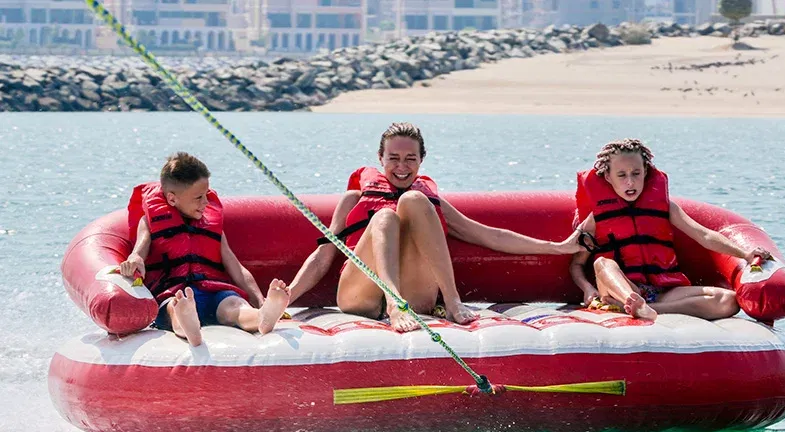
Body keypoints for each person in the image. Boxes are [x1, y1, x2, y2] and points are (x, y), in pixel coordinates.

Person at [287, 122, 582, 332]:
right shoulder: (354, 199)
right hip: (359, 296)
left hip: (415, 296)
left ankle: (452, 301)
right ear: (380, 159)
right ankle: (393, 302)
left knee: (414, 200)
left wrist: (557, 247)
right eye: (393, 159)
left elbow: (487, 235)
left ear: (421, 161)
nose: (402, 166)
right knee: (385, 217)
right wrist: (285, 298)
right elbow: (323, 256)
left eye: (410, 159)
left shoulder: (427, 200)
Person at [569, 139, 771, 321]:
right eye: (621, 175)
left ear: (645, 172)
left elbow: (704, 235)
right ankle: (631, 302)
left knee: (728, 300)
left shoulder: (666, 208)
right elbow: (577, 264)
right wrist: (588, 289)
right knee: (603, 263)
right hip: (621, 288)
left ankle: (646, 309)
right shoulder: (596, 218)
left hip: (663, 291)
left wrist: (744, 253)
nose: (630, 182)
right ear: (608, 177)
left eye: (636, 173)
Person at [118, 152, 290, 346]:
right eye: (198, 197)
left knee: (234, 306)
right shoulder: (150, 222)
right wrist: (134, 260)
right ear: (172, 199)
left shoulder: (210, 224)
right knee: (175, 308)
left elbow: (236, 267)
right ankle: (188, 325)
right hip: (175, 292)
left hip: (213, 291)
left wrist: (260, 300)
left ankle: (262, 317)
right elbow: (139, 251)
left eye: (206, 195)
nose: (206, 203)